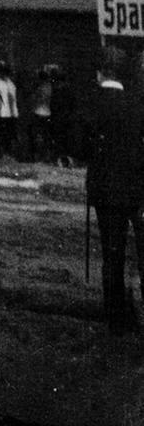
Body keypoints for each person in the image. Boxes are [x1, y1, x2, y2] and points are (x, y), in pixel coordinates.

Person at [87, 48, 144, 333]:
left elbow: (79, 145)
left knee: (112, 254)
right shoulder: (137, 103)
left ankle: (115, 318)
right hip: (137, 188)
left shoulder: (93, 104)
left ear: (100, 73)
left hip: (106, 190)